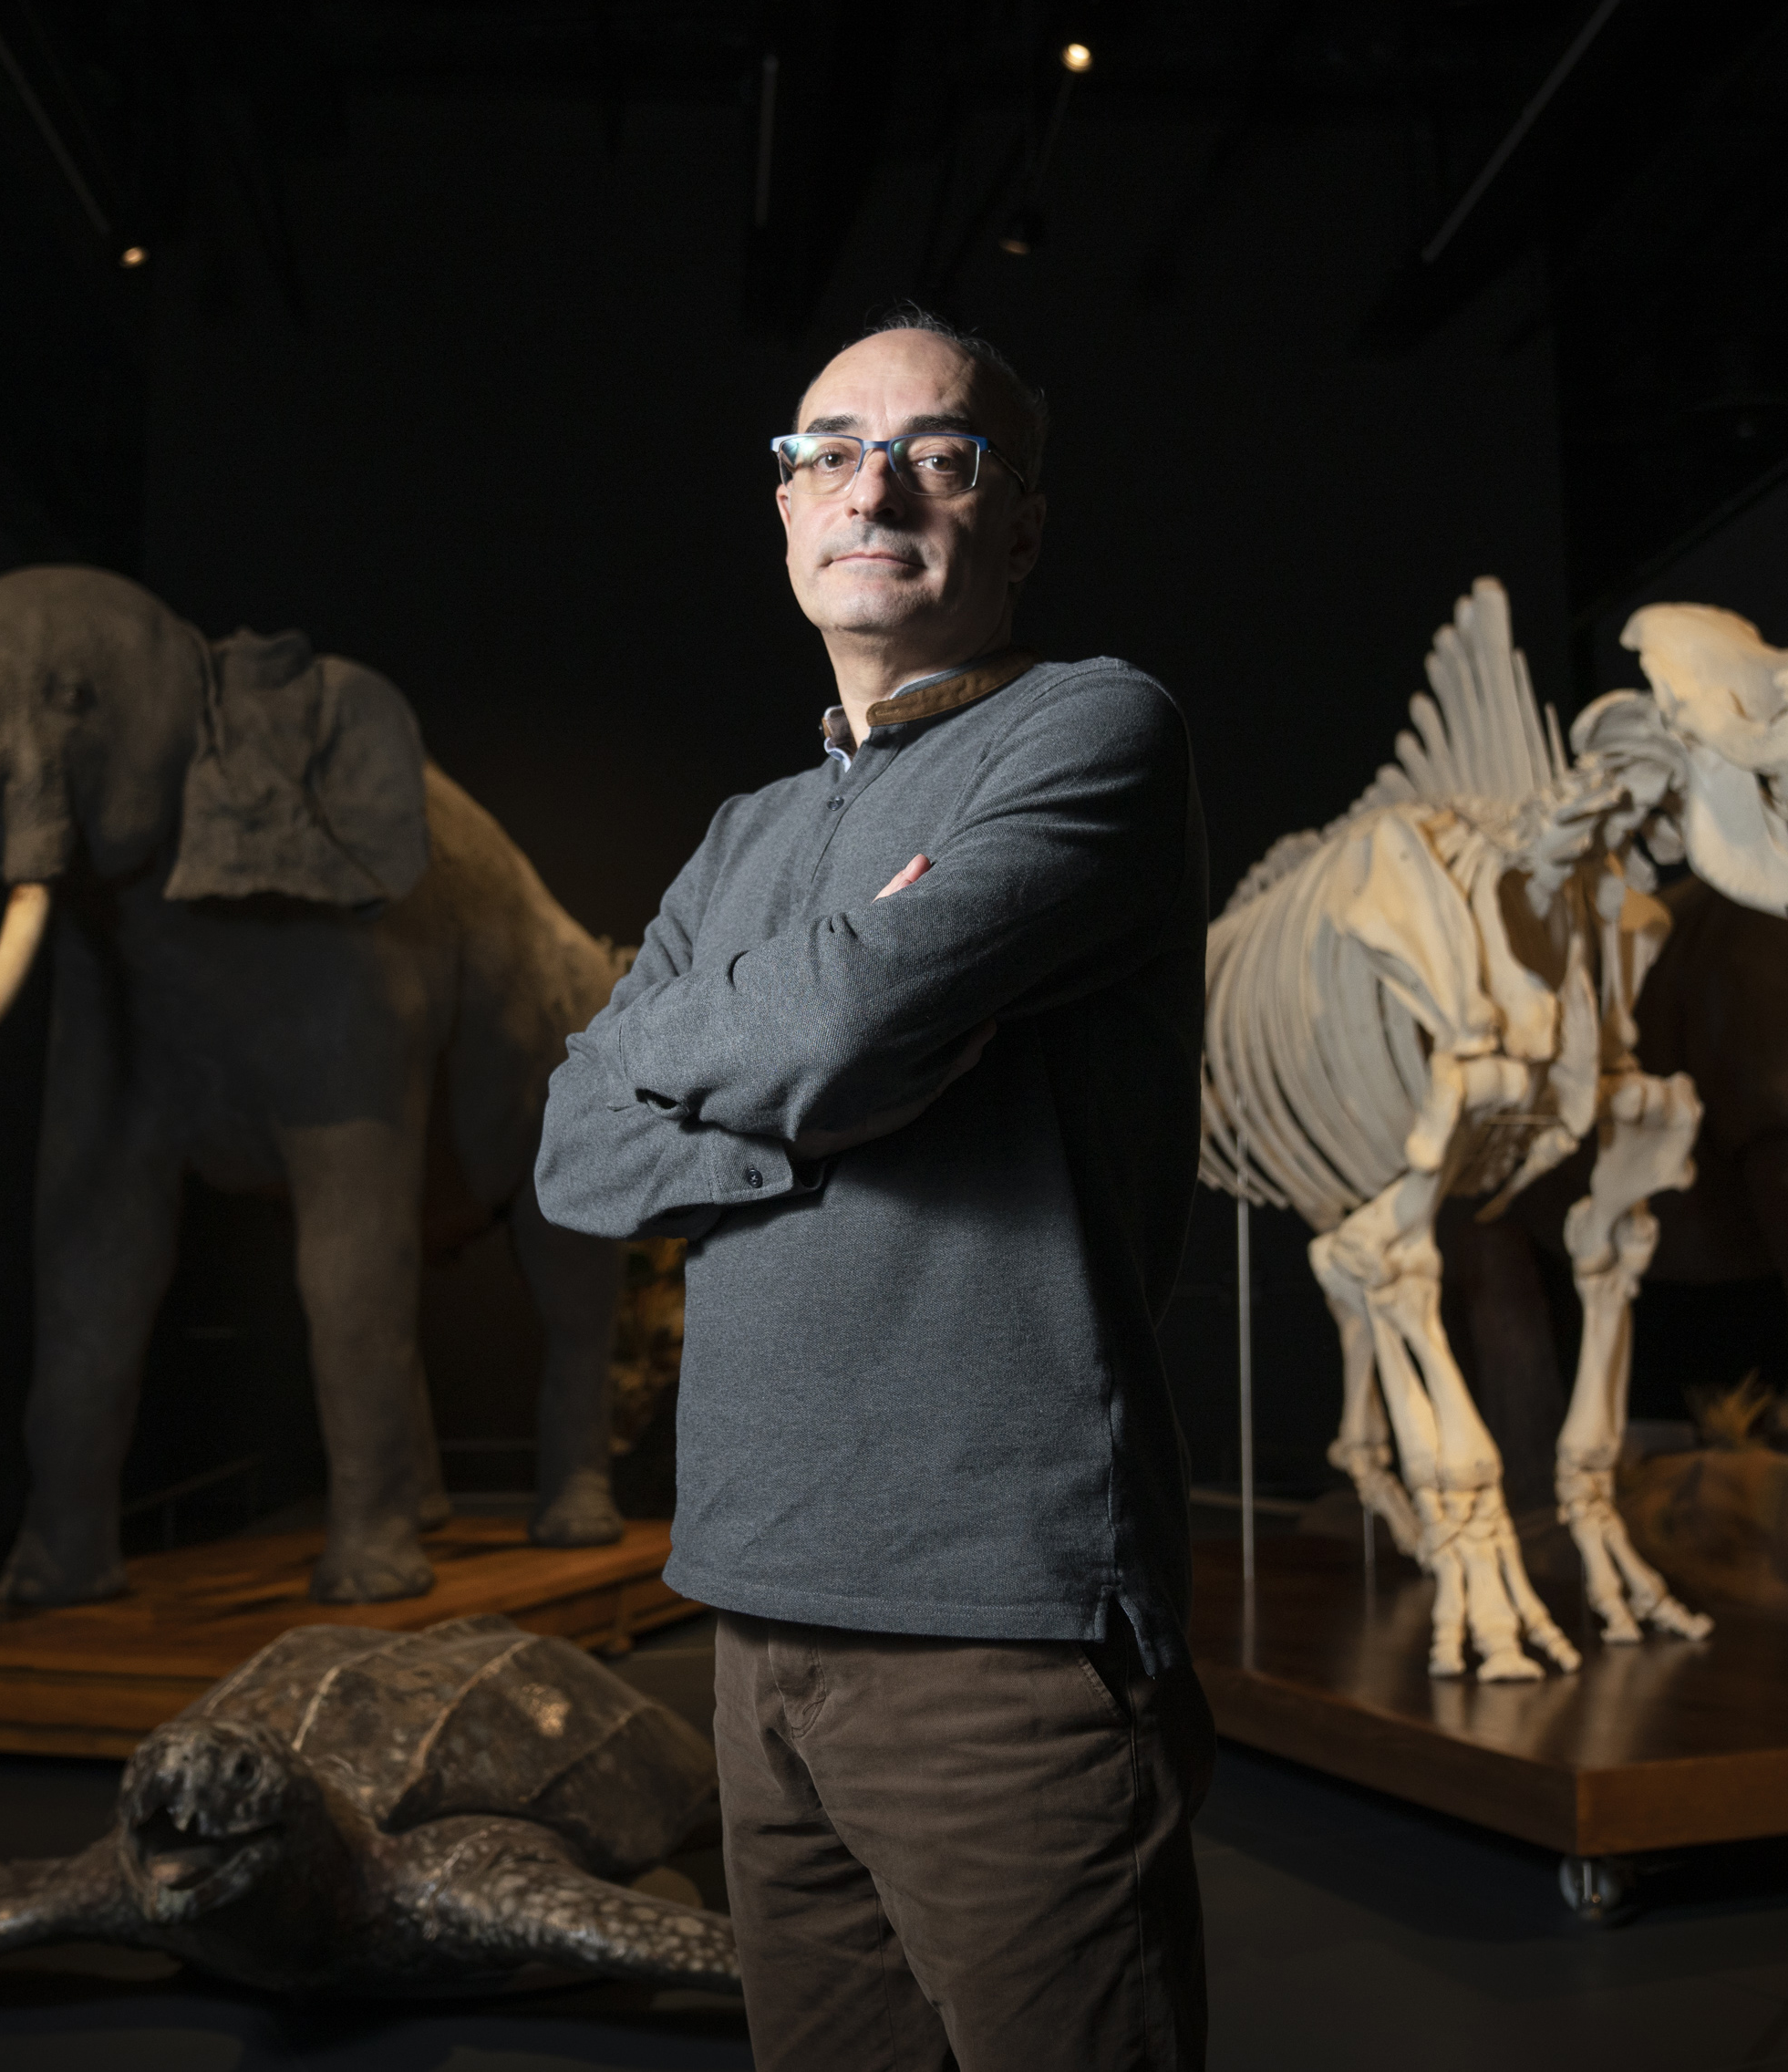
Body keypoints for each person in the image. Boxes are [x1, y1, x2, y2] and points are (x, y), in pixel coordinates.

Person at [532, 306, 1212, 2069]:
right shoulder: (742, 835)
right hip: (753, 1616)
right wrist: (829, 1083)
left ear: (1020, 522)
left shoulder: (1095, 734)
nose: (875, 485)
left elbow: (837, 1014)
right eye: (829, 449)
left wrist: (782, 1032)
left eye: (940, 451)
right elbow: (576, 1142)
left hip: (1004, 1634)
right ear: (783, 509)